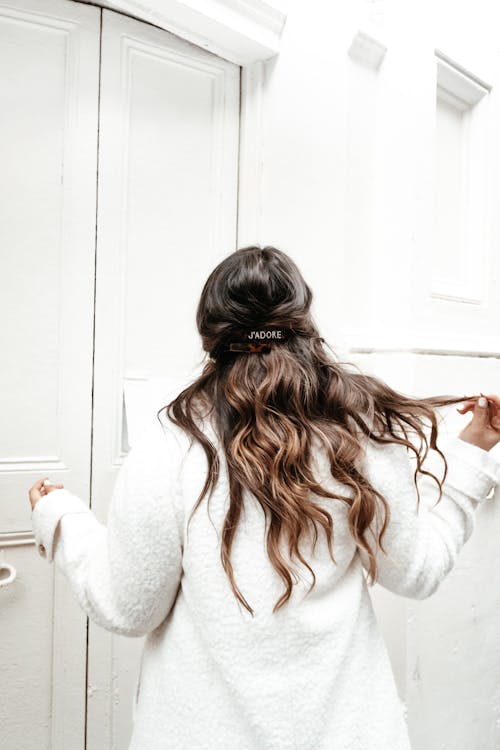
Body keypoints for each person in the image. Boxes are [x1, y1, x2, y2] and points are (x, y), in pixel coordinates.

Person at [29, 245, 500, 749]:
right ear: (302, 322)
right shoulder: (358, 434)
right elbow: (416, 573)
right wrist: (471, 453)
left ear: (211, 332)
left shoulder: (172, 443)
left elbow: (128, 608)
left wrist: (59, 519)